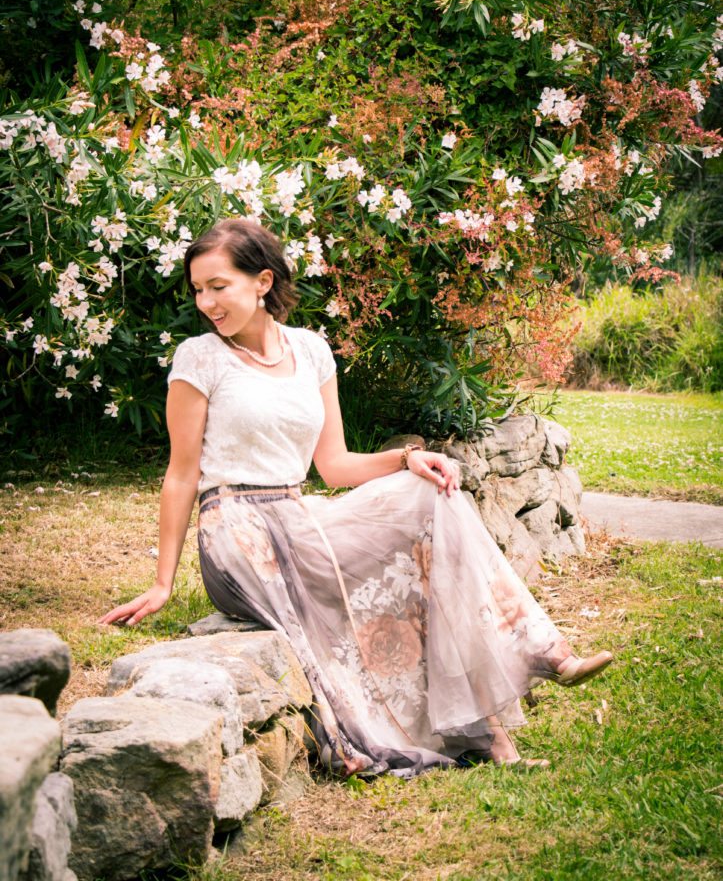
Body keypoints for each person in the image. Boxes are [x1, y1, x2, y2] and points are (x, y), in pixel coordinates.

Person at [100, 217, 613, 777]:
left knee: (433, 497)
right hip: (238, 530)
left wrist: (407, 458)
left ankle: (523, 682)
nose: (206, 303)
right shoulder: (200, 359)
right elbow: (181, 475)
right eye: (199, 290)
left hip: (299, 512)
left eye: (218, 287)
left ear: (263, 282)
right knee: (401, 562)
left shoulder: (312, 352)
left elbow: (335, 465)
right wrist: (162, 582)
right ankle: (509, 697)